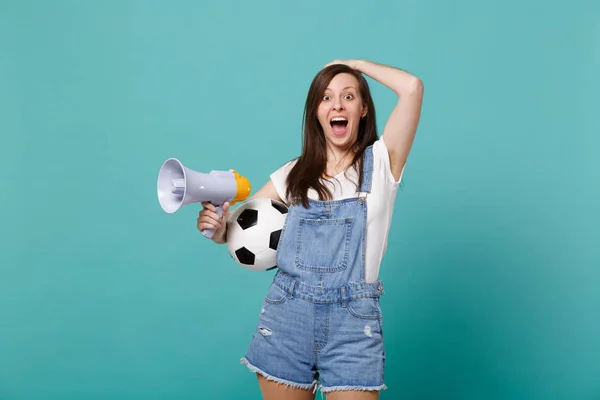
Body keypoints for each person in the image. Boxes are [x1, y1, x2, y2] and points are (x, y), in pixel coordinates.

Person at [197, 59, 424, 400]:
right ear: (316, 111)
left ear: (363, 109)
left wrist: (354, 65)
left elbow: (412, 88)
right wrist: (216, 230)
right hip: (287, 315)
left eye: (349, 97)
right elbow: (236, 228)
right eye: (327, 97)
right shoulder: (293, 173)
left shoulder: (381, 162)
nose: (337, 105)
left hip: (353, 322)